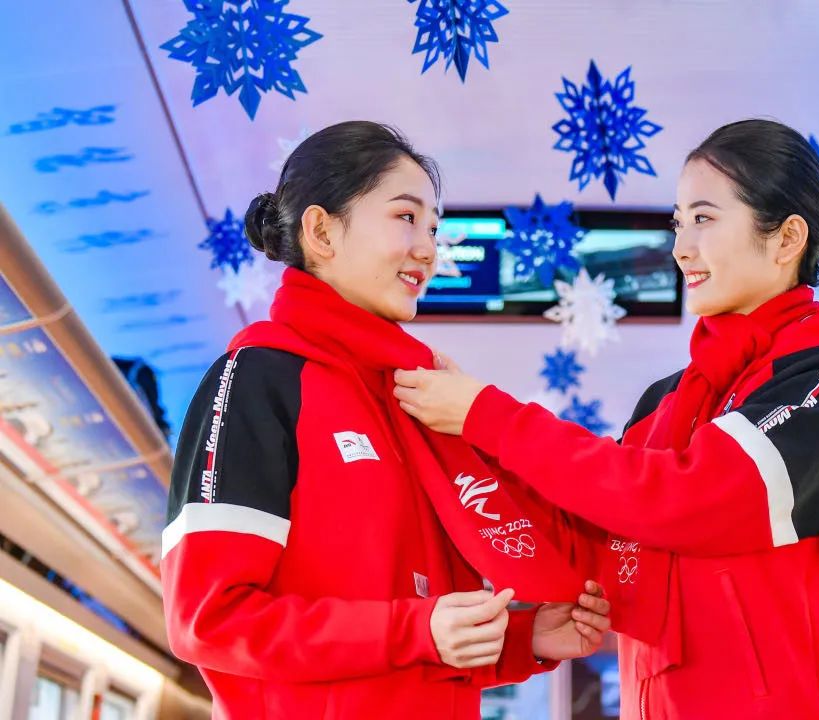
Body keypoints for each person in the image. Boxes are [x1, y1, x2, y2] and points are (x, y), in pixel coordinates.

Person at [394, 119, 819, 719]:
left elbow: (692, 498)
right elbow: (585, 536)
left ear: (787, 237)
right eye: (678, 223)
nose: (681, 248)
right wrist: (464, 440)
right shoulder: (666, 402)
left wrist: (490, 417)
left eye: (704, 219)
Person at [161, 121, 610, 719]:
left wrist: (519, 640)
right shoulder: (259, 379)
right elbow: (209, 618)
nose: (428, 249)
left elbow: (421, 625)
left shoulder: (412, 397)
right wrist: (416, 630)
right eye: (405, 217)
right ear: (322, 231)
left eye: (433, 228)